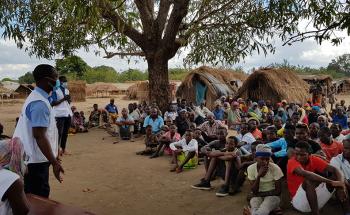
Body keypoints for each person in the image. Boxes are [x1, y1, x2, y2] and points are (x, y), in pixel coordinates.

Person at [13, 64, 64, 198]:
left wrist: (55, 151)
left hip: (35, 158)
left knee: (34, 197)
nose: (58, 81)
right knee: (38, 198)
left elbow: (47, 132)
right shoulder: (39, 104)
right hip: (34, 162)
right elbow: (39, 136)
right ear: (48, 80)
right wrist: (54, 163)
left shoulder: (40, 98)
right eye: (56, 78)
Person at [287, 141, 346, 215]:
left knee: (335, 176)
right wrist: (331, 182)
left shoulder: (313, 159)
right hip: (299, 203)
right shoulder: (291, 161)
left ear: (309, 154)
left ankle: (346, 211)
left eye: (302, 155)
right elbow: (306, 174)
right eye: (297, 154)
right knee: (309, 181)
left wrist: (341, 186)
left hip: (315, 200)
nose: (299, 157)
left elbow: (335, 169)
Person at [243, 144, 283, 215]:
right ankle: (273, 210)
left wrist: (259, 194)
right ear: (256, 158)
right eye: (262, 159)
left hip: (272, 196)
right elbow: (254, 190)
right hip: (257, 195)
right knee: (256, 205)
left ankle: (251, 212)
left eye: (267, 159)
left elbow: (278, 191)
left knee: (264, 209)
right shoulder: (251, 168)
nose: (265, 162)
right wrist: (259, 176)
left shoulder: (275, 168)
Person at [0, 138, 30, 215]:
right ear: (16, 158)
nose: (25, 162)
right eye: (23, 158)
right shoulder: (13, 179)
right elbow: (23, 210)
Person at [50, 75, 73, 156]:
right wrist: (64, 99)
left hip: (67, 113)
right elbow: (53, 103)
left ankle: (63, 149)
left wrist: (69, 99)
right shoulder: (55, 91)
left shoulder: (67, 91)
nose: (66, 83)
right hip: (59, 114)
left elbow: (68, 102)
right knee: (59, 133)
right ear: (61, 82)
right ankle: (56, 150)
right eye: (64, 81)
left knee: (65, 133)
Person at [330, 139, 350, 215]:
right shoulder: (336, 160)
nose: (347, 150)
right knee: (341, 187)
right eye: (346, 148)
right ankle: (347, 212)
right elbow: (338, 176)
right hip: (343, 185)